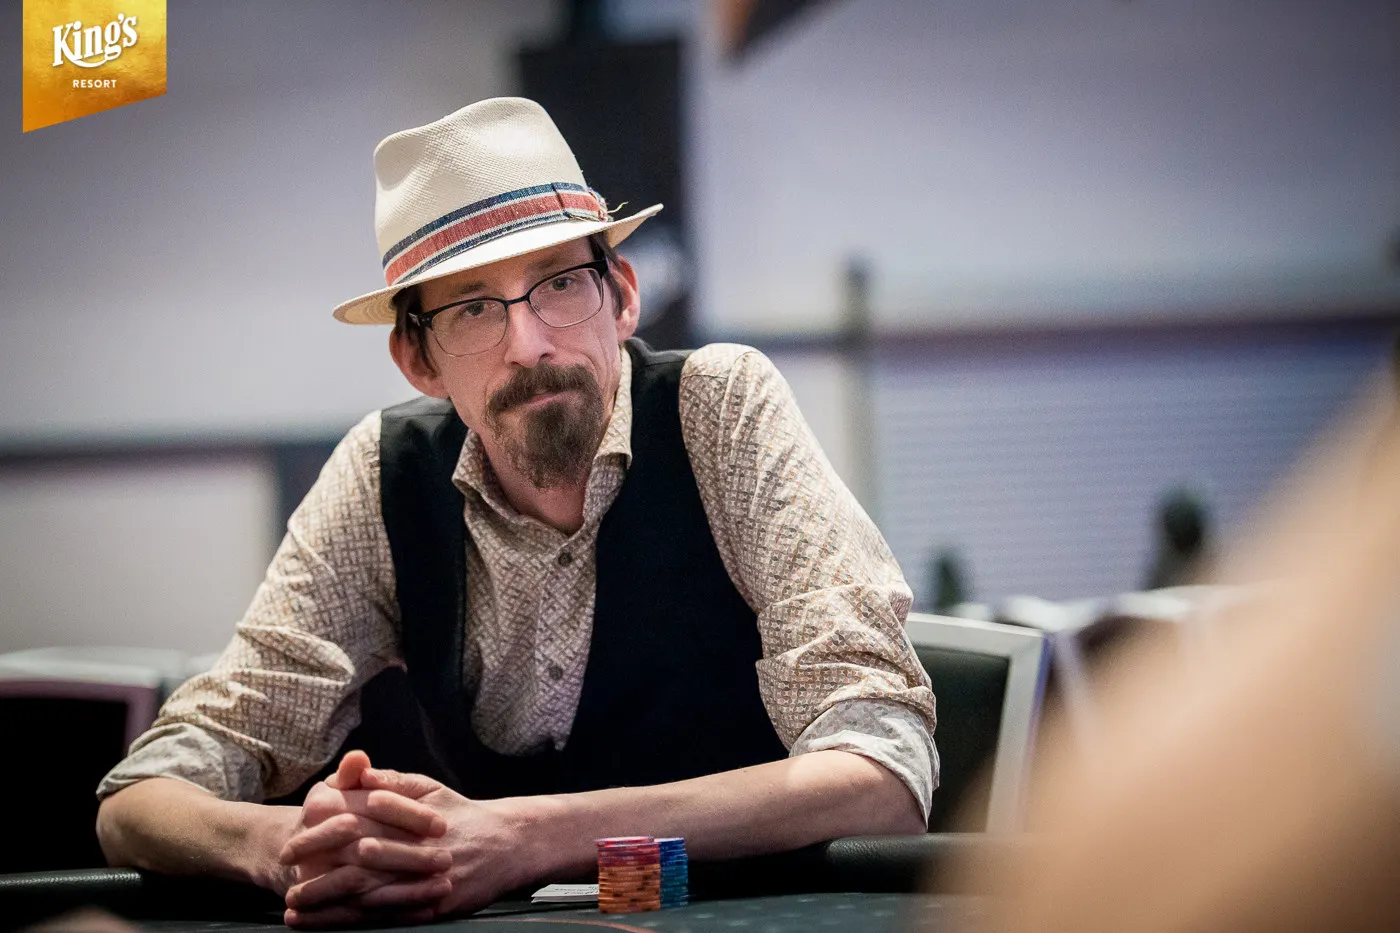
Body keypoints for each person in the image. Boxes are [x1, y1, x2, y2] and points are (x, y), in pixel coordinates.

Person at [94, 97, 937, 928]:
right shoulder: (382, 475)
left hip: (738, 908)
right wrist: (294, 846)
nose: (530, 344)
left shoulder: (718, 409)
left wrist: (526, 839)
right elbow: (135, 801)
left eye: (560, 284)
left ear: (624, 296)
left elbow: (884, 777)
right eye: (473, 308)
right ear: (417, 358)